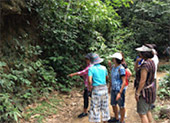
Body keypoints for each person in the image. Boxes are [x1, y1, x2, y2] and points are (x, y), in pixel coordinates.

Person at [134, 45, 156, 123]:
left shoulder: (145, 65)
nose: (139, 54)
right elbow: (136, 69)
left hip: (144, 92)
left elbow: (142, 81)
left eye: (140, 52)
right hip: (150, 90)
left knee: (142, 114)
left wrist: (137, 93)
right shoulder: (151, 62)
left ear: (144, 54)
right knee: (148, 110)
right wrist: (137, 62)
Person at [68, 53, 93, 118]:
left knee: (86, 98)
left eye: (87, 59)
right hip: (92, 85)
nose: (86, 61)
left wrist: (73, 74)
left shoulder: (90, 67)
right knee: (92, 98)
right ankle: (91, 110)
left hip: (89, 86)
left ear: (90, 60)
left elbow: (82, 72)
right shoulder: (92, 66)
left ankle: (85, 112)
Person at [88, 53, 110, 123]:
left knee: (95, 107)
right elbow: (107, 77)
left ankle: (96, 121)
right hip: (104, 88)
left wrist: (90, 88)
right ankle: (105, 121)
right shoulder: (104, 68)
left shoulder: (91, 69)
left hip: (96, 89)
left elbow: (89, 80)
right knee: (105, 106)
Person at [108, 52, 126, 123]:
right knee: (113, 104)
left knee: (121, 105)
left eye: (113, 58)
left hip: (119, 90)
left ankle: (122, 120)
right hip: (113, 89)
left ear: (116, 59)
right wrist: (109, 87)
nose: (112, 59)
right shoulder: (113, 67)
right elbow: (111, 78)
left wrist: (120, 92)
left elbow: (124, 81)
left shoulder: (121, 69)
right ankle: (116, 118)